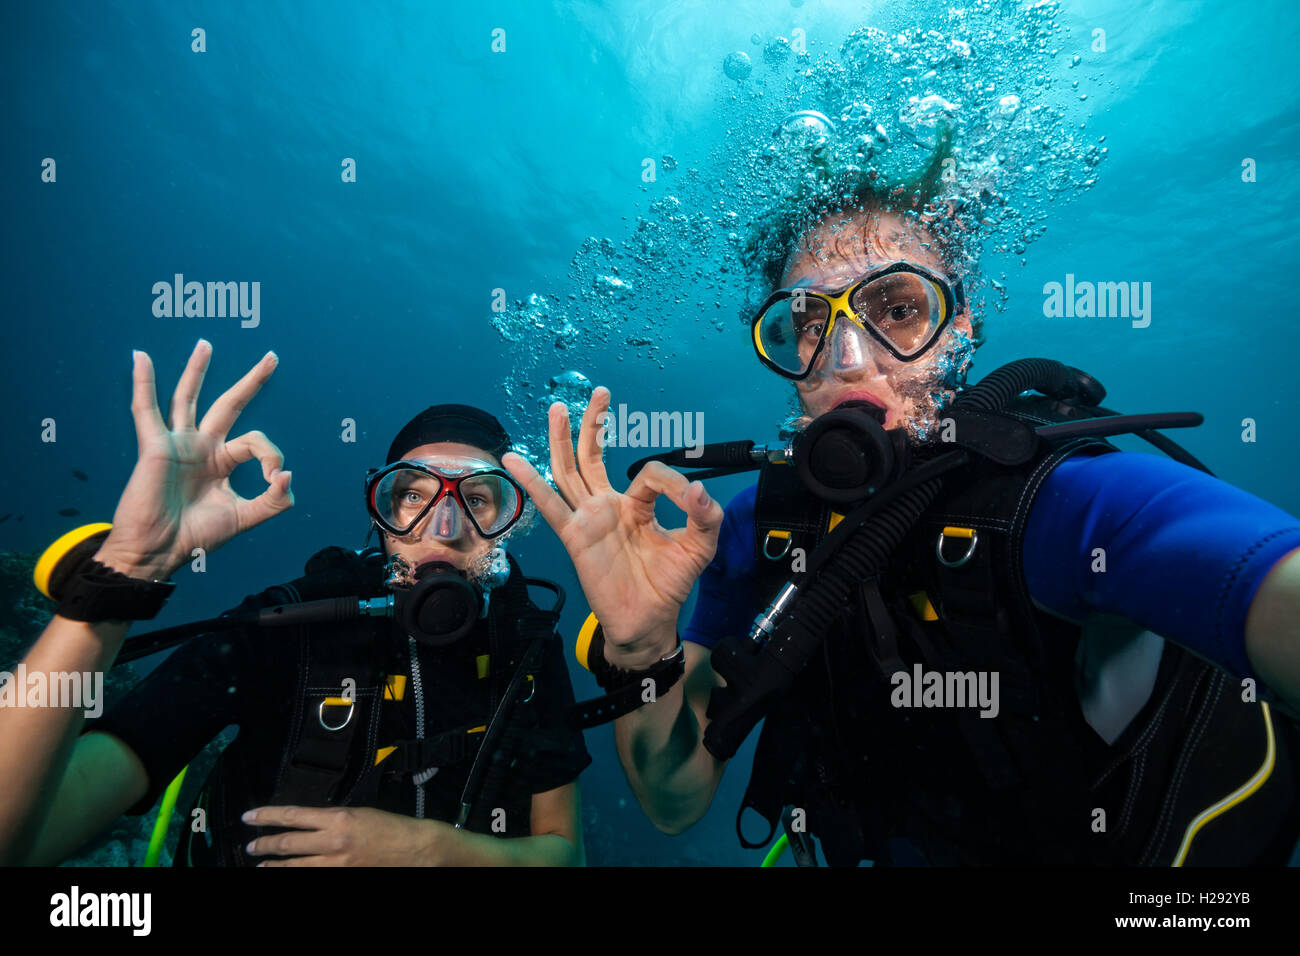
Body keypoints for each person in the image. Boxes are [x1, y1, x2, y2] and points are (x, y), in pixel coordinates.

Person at [501, 142, 1300, 865]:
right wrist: (642, 651)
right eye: (806, 325)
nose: (849, 360)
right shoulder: (753, 529)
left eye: (898, 310)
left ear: (960, 332)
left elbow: (1272, 586)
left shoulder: (1060, 501)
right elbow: (675, 802)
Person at [0, 341, 589, 866]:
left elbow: (564, 853)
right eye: (411, 493)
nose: (442, 524)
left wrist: (435, 853)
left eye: (479, 500)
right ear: (380, 514)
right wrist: (128, 572)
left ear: (512, 522)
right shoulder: (286, 624)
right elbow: (19, 842)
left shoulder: (527, 646)